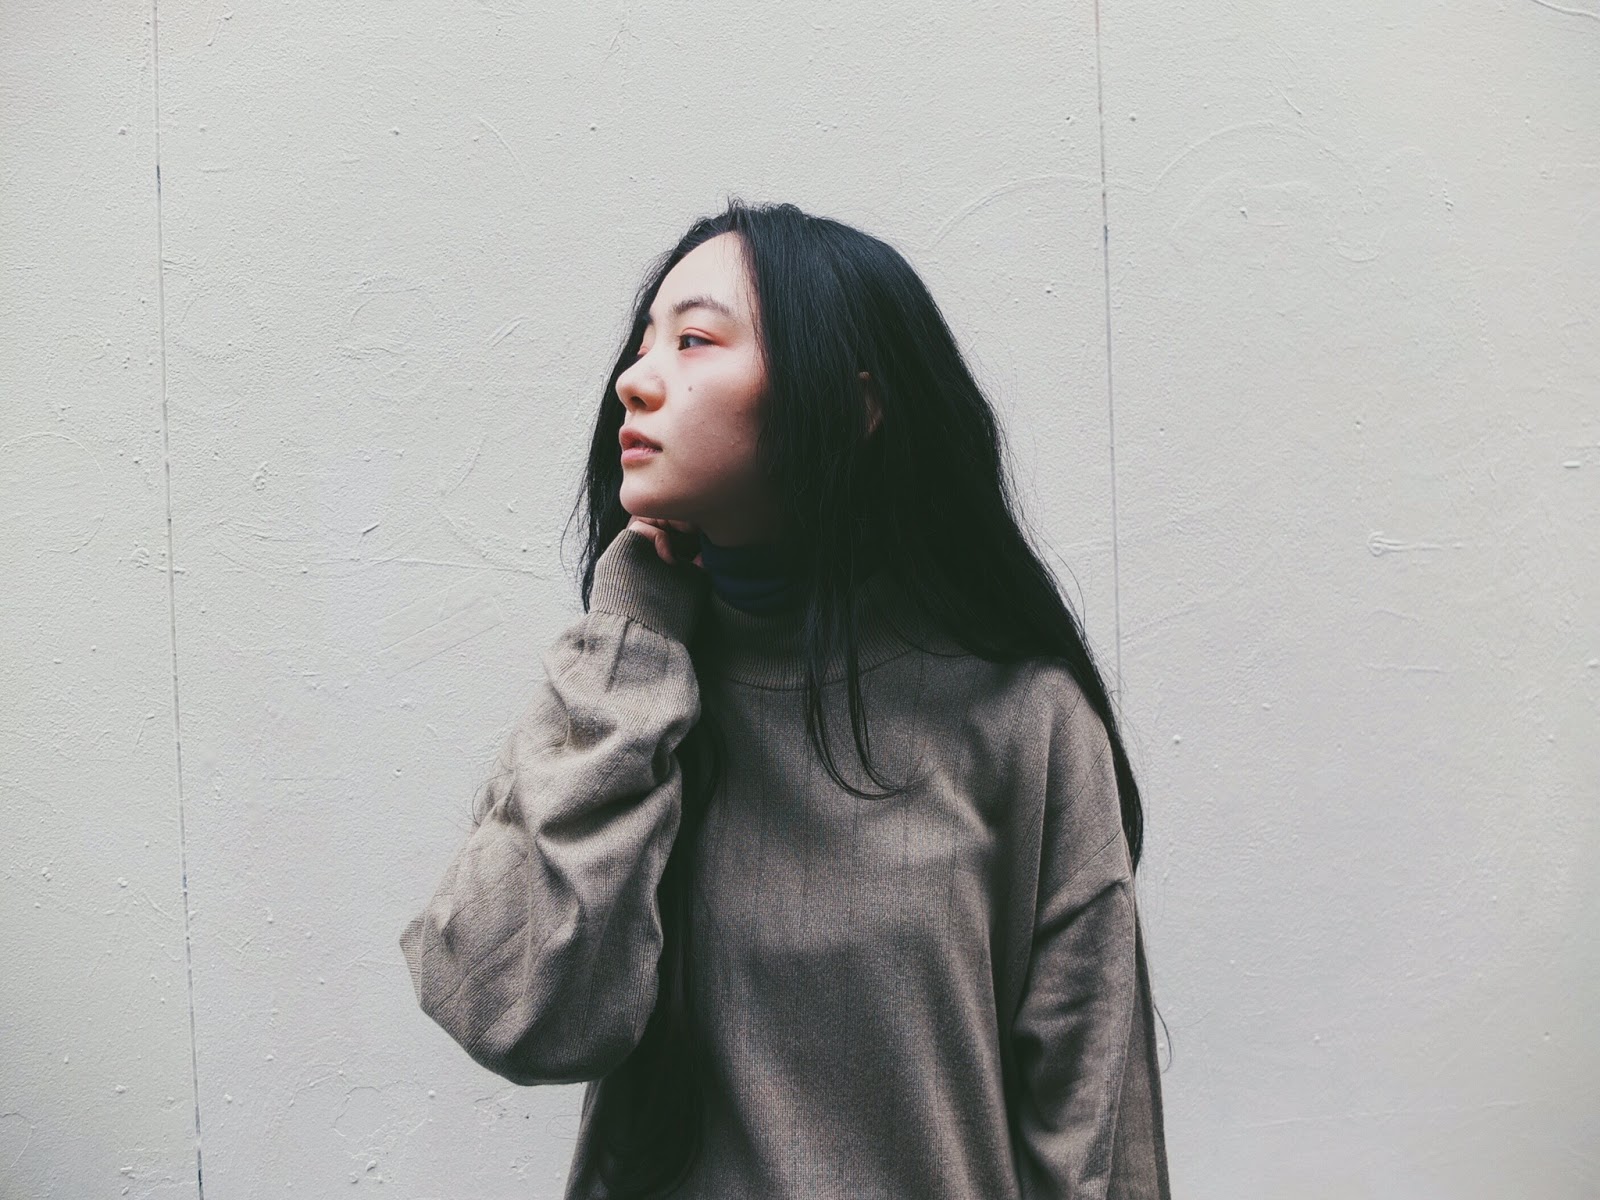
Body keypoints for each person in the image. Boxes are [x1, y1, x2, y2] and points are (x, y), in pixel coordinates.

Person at [398, 197, 1172, 1199]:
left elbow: (1097, 1139)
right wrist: (630, 639)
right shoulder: (624, 699)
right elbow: (517, 1015)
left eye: (694, 341)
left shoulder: (1021, 717)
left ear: (854, 405)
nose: (635, 379)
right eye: (643, 343)